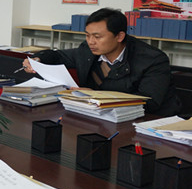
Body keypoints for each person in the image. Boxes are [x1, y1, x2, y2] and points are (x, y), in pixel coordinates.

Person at [22, 8, 182, 117]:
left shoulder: (152, 59)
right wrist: (38, 59)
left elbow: (148, 102)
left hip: (149, 122)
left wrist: (95, 96)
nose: (91, 41)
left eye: (97, 37)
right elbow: (59, 56)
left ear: (119, 36)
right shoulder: (88, 50)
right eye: (87, 35)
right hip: (103, 117)